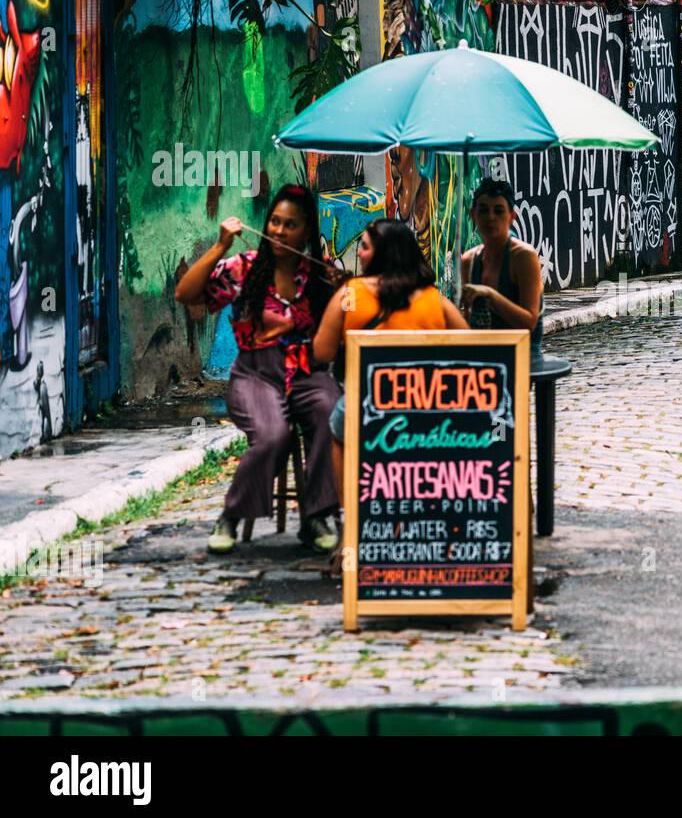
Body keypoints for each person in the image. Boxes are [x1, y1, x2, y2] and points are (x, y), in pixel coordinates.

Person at [174, 184, 342, 555]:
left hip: (308, 374)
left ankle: (316, 517)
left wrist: (339, 294)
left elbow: (335, 336)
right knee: (273, 435)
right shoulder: (244, 267)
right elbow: (185, 295)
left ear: (307, 233)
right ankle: (230, 517)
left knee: (331, 414)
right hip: (255, 375)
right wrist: (220, 246)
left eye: (291, 225)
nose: (280, 231)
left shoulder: (318, 276)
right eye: (275, 222)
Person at [312, 218, 468, 496]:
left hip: (368, 409)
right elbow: (471, 347)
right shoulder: (434, 299)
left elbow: (322, 352)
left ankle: (349, 506)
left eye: (365, 247)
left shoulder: (350, 296)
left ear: (384, 252)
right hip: (429, 409)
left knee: (336, 426)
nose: (358, 252)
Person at [459, 177, 543, 362]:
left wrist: (490, 294)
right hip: (482, 349)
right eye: (483, 211)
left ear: (511, 216)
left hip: (522, 352)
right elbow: (468, 316)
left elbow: (529, 322)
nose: (490, 218)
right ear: (473, 215)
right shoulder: (469, 260)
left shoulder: (523, 257)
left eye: (498, 211)